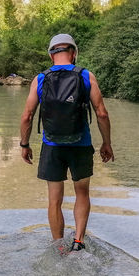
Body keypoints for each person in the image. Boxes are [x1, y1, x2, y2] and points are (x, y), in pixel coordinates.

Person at [19, 34, 114, 252]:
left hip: (51, 146)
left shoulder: (40, 79)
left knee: (54, 199)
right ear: (74, 53)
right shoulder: (86, 76)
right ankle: (78, 242)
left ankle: (59, 247)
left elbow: (27, 116)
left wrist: (24, 145)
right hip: (80, 143)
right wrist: (106, 143)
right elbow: (102, 113)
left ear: (51, 55)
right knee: (82, 192)